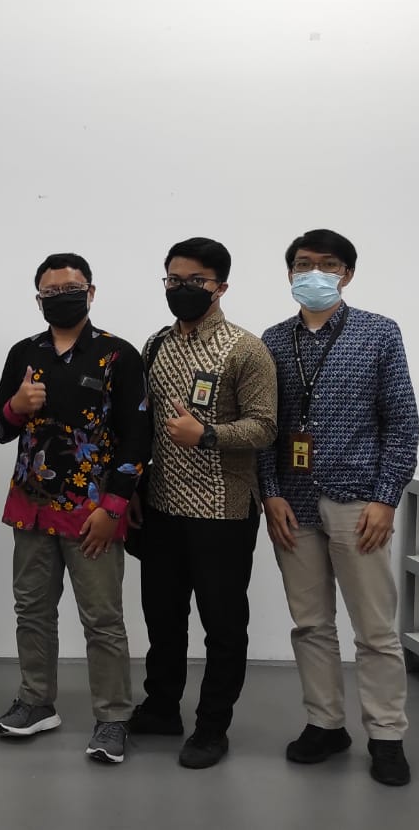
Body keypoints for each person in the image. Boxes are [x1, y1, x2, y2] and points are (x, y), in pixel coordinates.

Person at [258, 229, 418, 786]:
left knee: (375, 629)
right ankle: (325, 724)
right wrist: (269, 492)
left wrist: (386, 498)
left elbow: (402, 422)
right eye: (303, 264)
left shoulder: (379, 333)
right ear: (289, 273)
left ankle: (387, 735)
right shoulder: (272, 341)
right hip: (293, 503)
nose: (314, 273)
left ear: (347, 273)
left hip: (359, 501)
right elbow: (265, 428)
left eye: (327, 264)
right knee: (310, 624)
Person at [0, 253, 151, 765]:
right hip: (31, 508)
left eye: (71, 288)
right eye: (51, 291)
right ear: (38, 299)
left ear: (91, 292)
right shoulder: (24, 353)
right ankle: (36, 701)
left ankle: (113, 717)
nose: (62, 297)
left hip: (94, 512)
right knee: (32, 611)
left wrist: (113, 507)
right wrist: (17, 407)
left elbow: (138, 438)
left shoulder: (118, 355)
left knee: (102, 619)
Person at [130, 236, 277, 769]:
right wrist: (136, 490)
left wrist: (208, 435)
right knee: (162, 618)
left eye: (195, 281)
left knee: (223, 625)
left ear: (221, 287)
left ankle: (213, 726)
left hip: (223, 510)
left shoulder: (246, 349)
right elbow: (143, 425)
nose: (182, 289)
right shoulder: (155, 345)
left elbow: (265, 427)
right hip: (162, 506)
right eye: (174, 280)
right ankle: (161, 707)